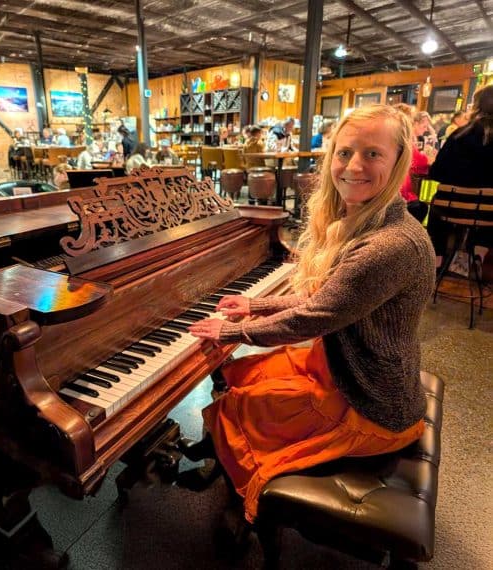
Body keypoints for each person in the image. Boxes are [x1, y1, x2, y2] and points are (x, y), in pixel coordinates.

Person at [179, 105, 435, 525]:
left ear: (399, 161)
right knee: (239, 375)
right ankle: (221, 457)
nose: (353, 166)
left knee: (236, 407)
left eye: (373, 154)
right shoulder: (372, 222)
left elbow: (314, 316)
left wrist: (233, 331)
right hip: (345, 368)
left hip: (370, 401)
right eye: (344, 152)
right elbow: (328, 298)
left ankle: (240, 499)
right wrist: (255, 305)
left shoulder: (388, 246)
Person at [427, 85, 493, 269]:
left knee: (436, 205)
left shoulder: (459, 134)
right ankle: (479, 255)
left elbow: (436, 173)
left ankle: (437, 255)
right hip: (489, 214)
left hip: (450, 210)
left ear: (476, 106)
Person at [394, 103, 430, 223]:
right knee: (421, 208)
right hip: (400, 197)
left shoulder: (398, 138)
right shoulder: (403, 140)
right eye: (411, 120)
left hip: (397, 195)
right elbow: (420, 163)